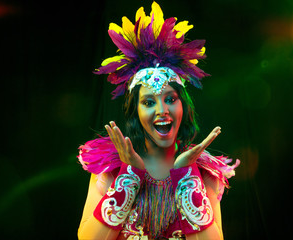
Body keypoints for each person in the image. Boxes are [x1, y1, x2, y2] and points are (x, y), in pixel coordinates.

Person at [77, 2, 239, 239]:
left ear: (183, 105)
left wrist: (186, 175)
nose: (162, 110)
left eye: (170, 99)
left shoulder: (205, 173)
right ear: (135, 112)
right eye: (149, 102)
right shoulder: (109, 166)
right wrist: (130, 174)